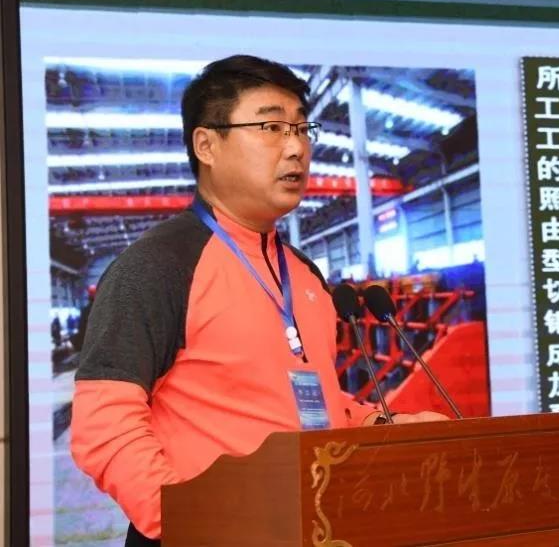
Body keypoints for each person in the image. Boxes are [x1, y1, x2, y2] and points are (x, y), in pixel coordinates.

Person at [70, 55, 446, 547]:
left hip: (312, 528)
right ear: (206, 144)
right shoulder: (157, 268)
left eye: (302, 128)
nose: (296, 147)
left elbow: (311, 406)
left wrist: (384, 426)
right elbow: (104, 427)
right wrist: (191, 519)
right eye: (271, 127)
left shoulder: (305, 275)